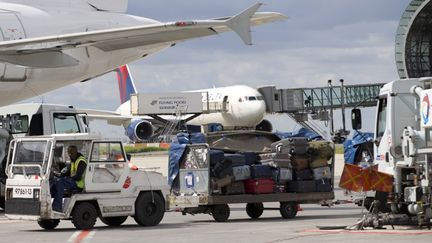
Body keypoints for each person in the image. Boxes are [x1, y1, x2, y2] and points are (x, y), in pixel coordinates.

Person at [50, 145, 87, 212]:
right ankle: (48, 203)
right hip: (73, 181)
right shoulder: (74, 160)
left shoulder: (81, 161)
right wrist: (58, 175)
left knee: (60, 183)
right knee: (55, 181)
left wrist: (67, 178)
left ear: (76, 152)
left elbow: (78, 177)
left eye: (71, 153)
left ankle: (57, 207)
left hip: (78, 184)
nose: (70, 154)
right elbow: (68, 173)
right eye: (69, 153)